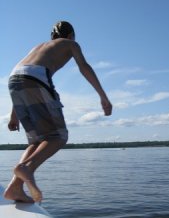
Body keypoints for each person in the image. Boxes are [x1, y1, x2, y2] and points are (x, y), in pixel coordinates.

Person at [4, 21, 112, 203]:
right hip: (36, 78)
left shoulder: (37, 47)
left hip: (14, 80)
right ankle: (25, 168)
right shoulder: (70, 43)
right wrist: (103, 96)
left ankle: (15, 187)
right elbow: (84, 67)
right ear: (70, 35)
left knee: (37, 141)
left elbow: (23, 74)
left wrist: (14, 115)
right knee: (58, 136)